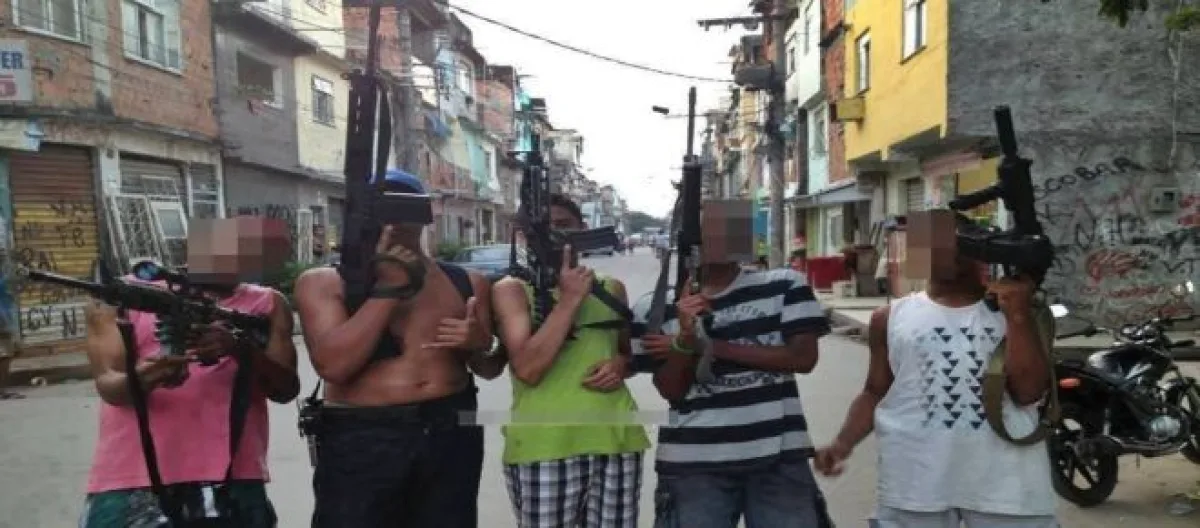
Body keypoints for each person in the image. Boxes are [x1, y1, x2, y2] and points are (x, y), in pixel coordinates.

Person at [813, 211, 1056, 527]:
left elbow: (1028, 393)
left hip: (1008, 487)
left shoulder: (1014, 310)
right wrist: (842, 443)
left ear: (977, 249)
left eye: (951, 242)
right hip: (914, 482)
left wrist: (1018, 314)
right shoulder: (889, 318)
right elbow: (875, 392)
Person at [295, 169, 506, 528]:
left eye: (403, 207)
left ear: (424, 215)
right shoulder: (327, 282)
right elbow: (333, 367)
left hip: (451, 426)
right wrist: (388, 290)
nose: (392, 221)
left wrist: (482, 343)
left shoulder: (467, 282)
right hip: (364, 433)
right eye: (380, 208)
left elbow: (487, 368)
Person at [79, 217, 300, 527]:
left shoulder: (268, 304)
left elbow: (286, 389)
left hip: (231, 478)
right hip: (133, 476)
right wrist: (147, 377)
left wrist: (240, 349)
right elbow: (109, 384)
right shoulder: (124, 296)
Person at [630, 200, 833, 528]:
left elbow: (803, 358)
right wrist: (684, 339)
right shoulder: (655, 308)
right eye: (709, 230)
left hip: (778, 458)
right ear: (688, 239)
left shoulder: (784, 286)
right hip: (693, 464)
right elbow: (671, 391)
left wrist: (709, 347)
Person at [491, 193, 649, 528]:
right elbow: (528, 370)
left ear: (583, 229)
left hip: (616, 439)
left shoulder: (612, 288)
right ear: (524, 236)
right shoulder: (512, 290)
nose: (555, 236)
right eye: (543, 229)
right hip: (544, 445)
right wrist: (569, 300)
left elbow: (628, 353)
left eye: (564, 226)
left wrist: (621, 366)